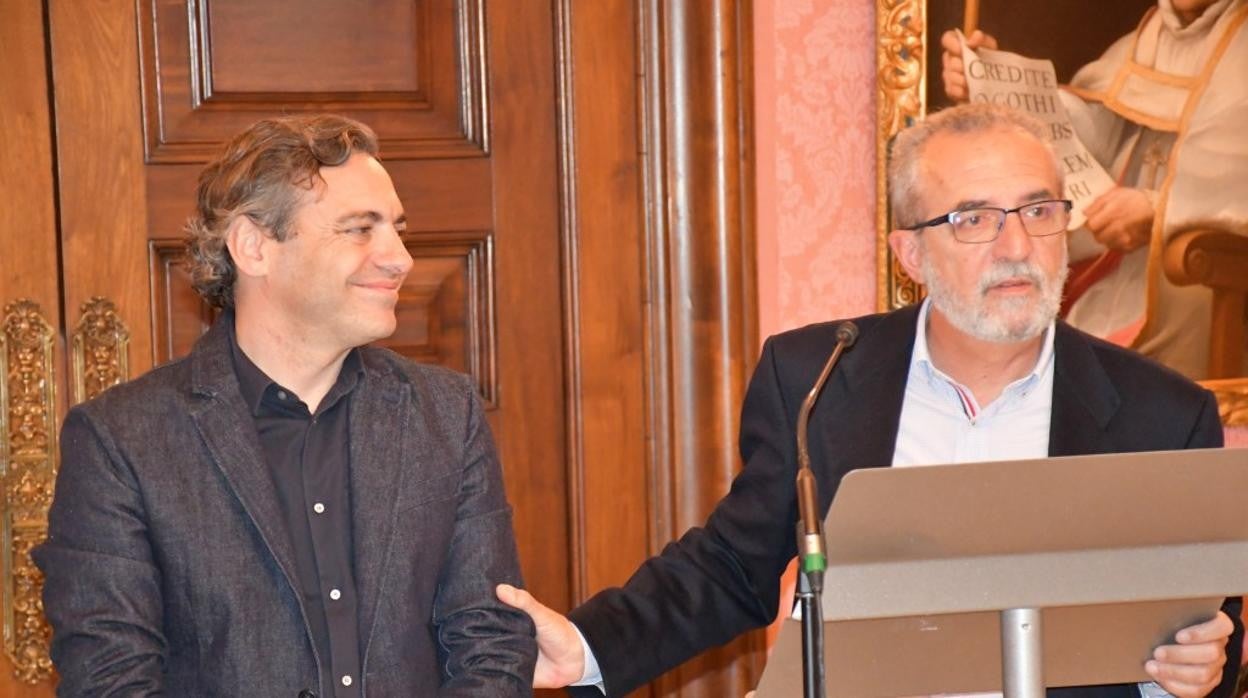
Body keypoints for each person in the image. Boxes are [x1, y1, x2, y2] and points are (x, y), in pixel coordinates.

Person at [495, 103, 1244, 697]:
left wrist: (1194, 670)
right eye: (974, 219)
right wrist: (587, 647)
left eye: (1039, 210)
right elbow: (732, 565)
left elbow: (1207, 627)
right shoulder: (820, 376)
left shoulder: (1162, 413)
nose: (1018, 246)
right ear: (910, 255)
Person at [33, 115, 535, 696]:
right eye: (359, 230)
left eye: (397, 229)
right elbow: (111, 681)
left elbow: (491, 645)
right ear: (253, 246)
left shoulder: (446, 415)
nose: (400, 258)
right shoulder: (121, 440)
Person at [941, 0, 1248, 379]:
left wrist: (1159, 210)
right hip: (1117, 269)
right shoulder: (1148, 40)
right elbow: (1090, 138)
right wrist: (990, 84)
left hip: (1207, 278)